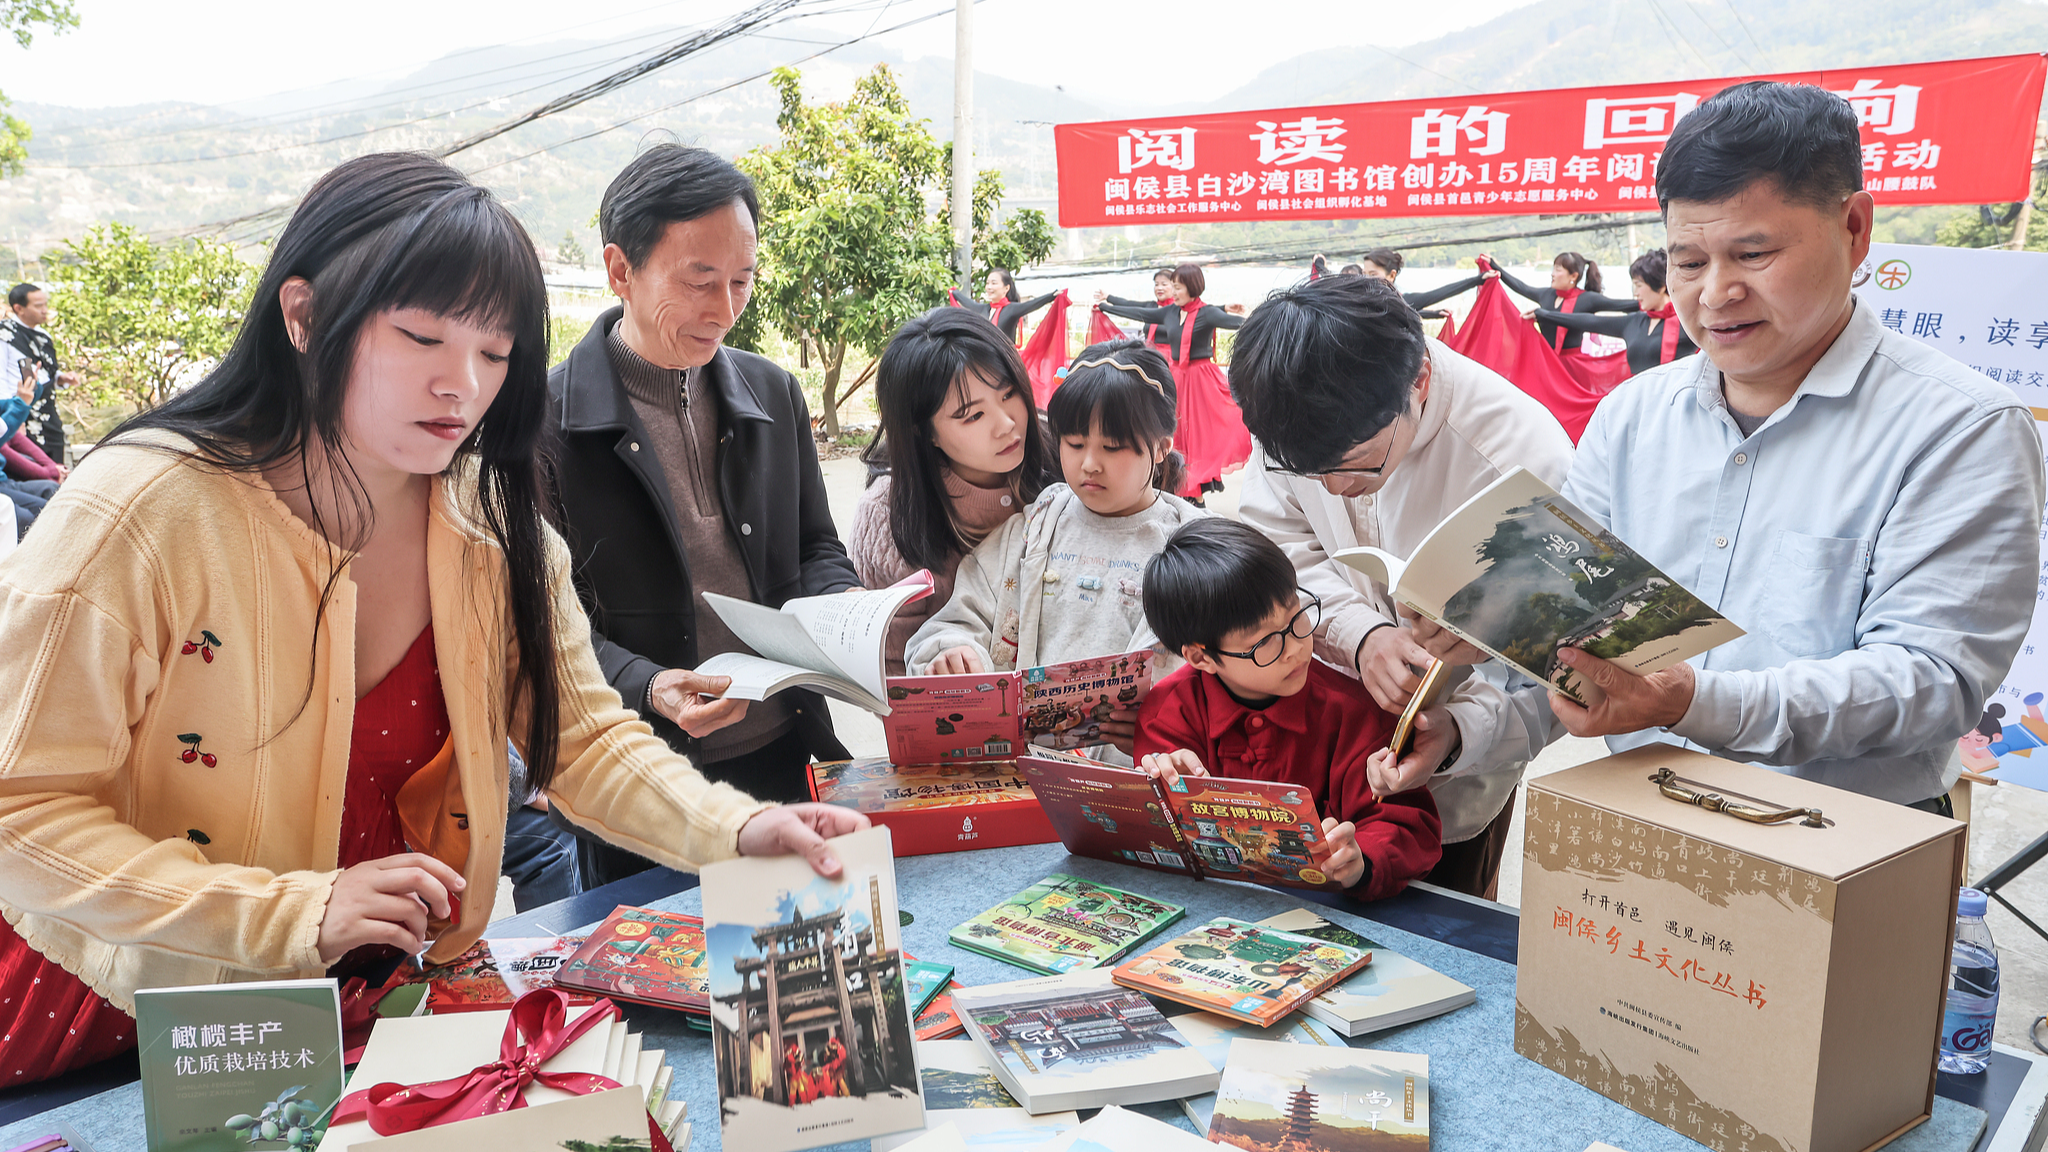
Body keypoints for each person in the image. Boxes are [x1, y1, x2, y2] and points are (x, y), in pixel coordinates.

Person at [0, 152, 864, 1086]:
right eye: (421, 338)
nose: (463, 384)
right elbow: (21, 809)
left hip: (381, 989)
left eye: (495, 354)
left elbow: (583, 740)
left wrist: (733, 833)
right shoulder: (140, 507)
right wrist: (291, 914)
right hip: (115, 1001)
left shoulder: (492, 528)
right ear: (303, 316)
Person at [1553, 80, 2047, 812]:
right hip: (1641, 814)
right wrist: (1465, 715)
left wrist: (1693, 701)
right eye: (1688, 261)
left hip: (1843, 841)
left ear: (1854, 229)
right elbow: (1568, 620)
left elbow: (1931, 680)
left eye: (1753, 253)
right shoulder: (1631, 416)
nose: (1716, 292)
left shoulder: (1962, 427)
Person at [547, 144, 864, 889]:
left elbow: (816, 545)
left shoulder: (772, 392)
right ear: (620, 269)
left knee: (795, 984)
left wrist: (846, 606)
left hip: (785, 750)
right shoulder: (543, 425)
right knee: (663, 991)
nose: (723, 310)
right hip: (640, 783)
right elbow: (553, 627)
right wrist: (651, 685)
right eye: (698, 282)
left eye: (742, 281)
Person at [1232, 274, 1572, 900]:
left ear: (1417, 380)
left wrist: (1458, 734)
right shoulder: (1291, 410)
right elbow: (1276, 543)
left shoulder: (1522, 460)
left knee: (1442, 938)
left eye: (1354, 463)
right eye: (1308, 470)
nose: (1331, 489)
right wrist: (1361, 636)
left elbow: (1550, 671)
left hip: (1450, 781)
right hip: (1318, 753)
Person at [904, 340, 1208, 756]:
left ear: (1160, 447)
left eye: (1112, 447)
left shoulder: (1197, 544)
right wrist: (954, 652)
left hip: (1135, 783)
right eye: (1075, 443)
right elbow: (957, 618)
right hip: (1026, 773)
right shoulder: (1036, 526)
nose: (1089, 465)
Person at [1134, 519, 1444, 901]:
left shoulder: (1353, 710)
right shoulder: (1168, 713)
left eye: (1297, 617)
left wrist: (1361, 860)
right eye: (1266, 642)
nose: (1297, 646)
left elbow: (1406, 821)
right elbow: (1149, 831)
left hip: (1328, 908)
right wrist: (1163, 788)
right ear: (1201, 657)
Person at [852, 307, 1055, 674]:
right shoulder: (888, 516)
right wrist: (936, 667)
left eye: (1009, 394)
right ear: (924, 430)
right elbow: (889, 667)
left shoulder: (1067, 461)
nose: (1007, 424)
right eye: (973, 415)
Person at [1093, 264, 1250, 501]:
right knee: (1176, 433)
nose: (1173, 292)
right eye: (1172, 287)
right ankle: (1186, 488)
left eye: (1177, 287)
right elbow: (1139, 313)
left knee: (1199, 434)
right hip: (1176, 379)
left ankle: (1196, 490)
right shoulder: (1170, 313)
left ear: (1192, 287)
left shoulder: (1207, 313)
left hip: (1200, 380)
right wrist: (1105, 306)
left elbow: (1240, 324)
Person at [1483, 250, 1639, 389]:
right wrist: (1494, 266)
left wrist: (1656, 301)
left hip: (1574, 369)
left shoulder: (1587, 299)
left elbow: (1621, 305)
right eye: (1553, 269)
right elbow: (1521, 287)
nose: (1552, 274)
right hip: (1547, 365)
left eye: (1558, 270)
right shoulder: (1546, 295)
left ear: (1573, 276)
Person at [1532, 249, 1699, 377]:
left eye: (1639, 285)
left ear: (1662, 286)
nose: (1635, 293)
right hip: (1641, 408)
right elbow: (1589, 322)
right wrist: (1543, 314)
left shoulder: (1689, 322)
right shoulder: (1635, 322)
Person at [1, 283, 72, 464]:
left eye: (45, 305)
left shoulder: (43, 335)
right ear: (19, 308)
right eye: (38, 306)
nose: (45, 310)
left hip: (47, 410)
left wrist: (60, 378)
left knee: (57, 461)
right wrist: (13, 413)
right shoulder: (5, 335)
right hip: (21, 411)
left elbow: (45, 371)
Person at [1353, 247, 1495, 313]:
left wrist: (1478, 280)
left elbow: (1440, 293)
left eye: (1372, 274)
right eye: (1364, 274)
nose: (1366, 279)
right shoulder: (1358, 300)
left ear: (1392, 275)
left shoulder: (1402, 303)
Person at [956, 268, 1059, 344]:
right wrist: (954, 293)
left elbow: (1032, 304)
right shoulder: (983, 309)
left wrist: (1052, 296)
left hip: (1005, 363)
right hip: (985, 360)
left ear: (1006, 288)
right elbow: (968, 303)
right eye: (987, 283)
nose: (989, 287)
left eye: (994, 283)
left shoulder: (1012, 309)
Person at [1097, 268, 1178, 354]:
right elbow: (1128, 305)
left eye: (1164, 284)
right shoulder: (1151, 306)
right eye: (1156, 284)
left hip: (1171, 358)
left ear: (1174, 287)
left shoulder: (1178, 309)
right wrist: (1107, 298)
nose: (1159, 288)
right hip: (1149, 354)